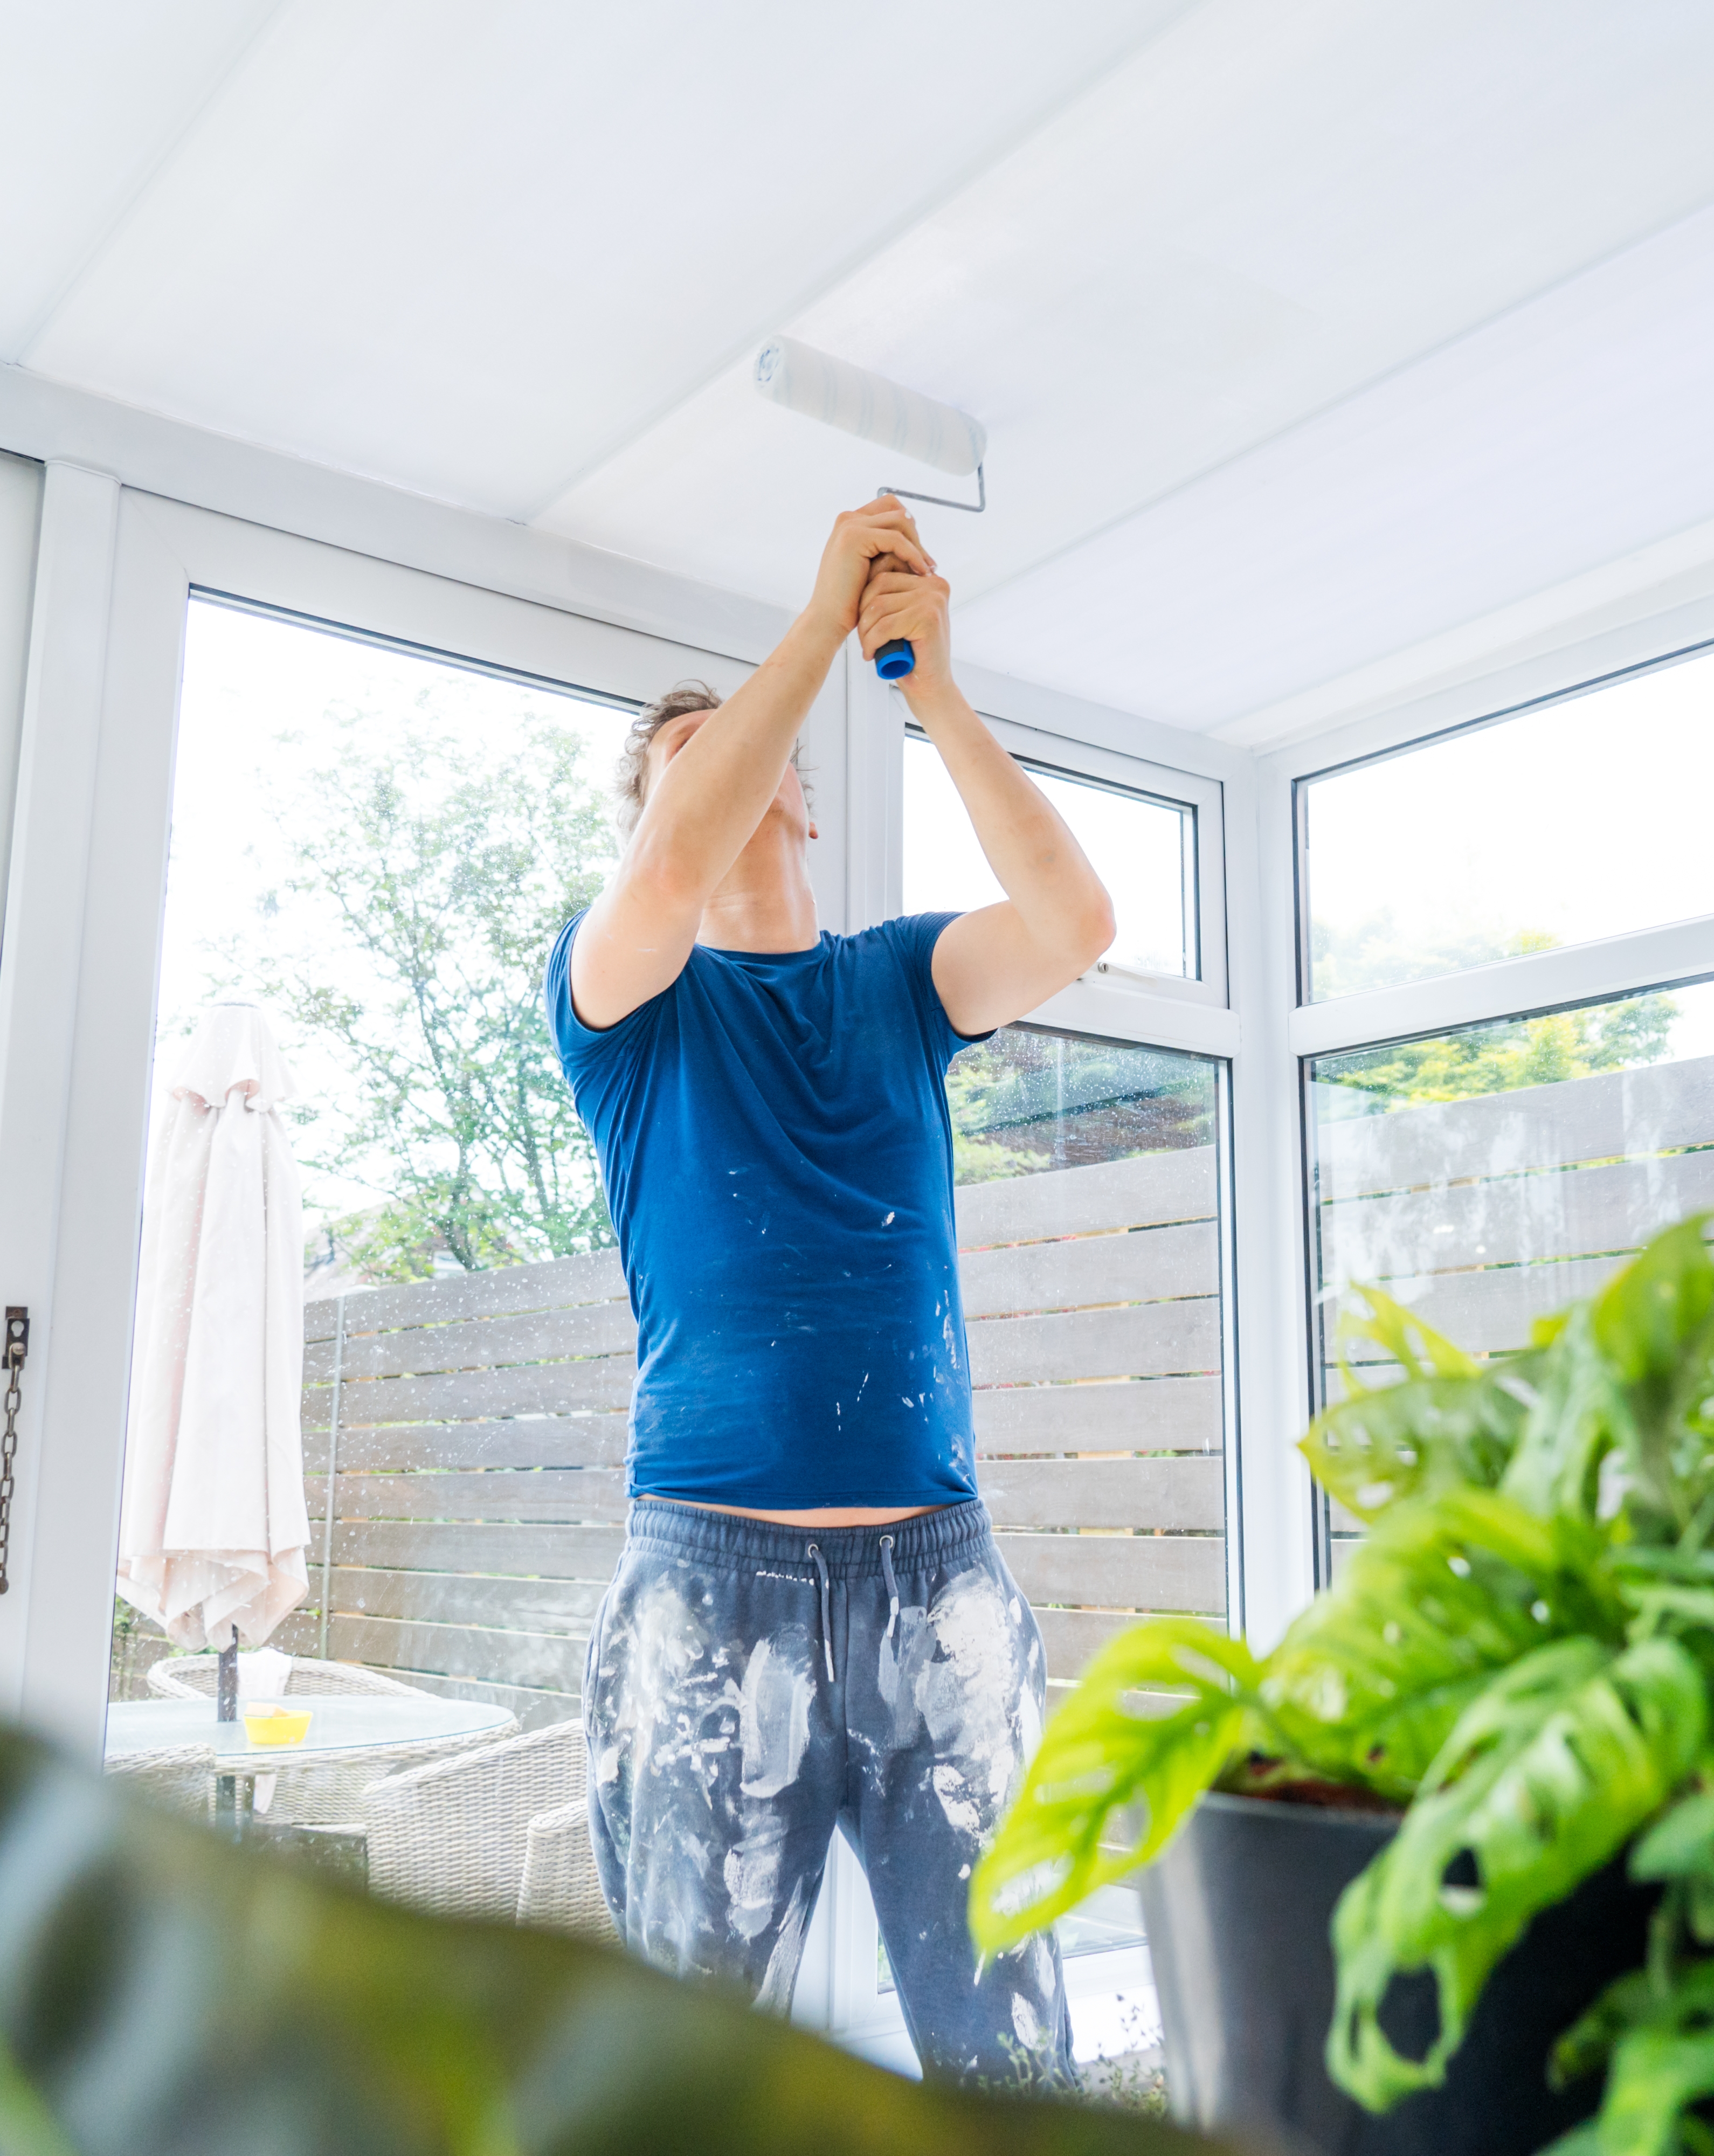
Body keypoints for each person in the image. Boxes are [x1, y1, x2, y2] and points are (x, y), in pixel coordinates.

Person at [549, 497, 1116, 2083]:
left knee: (1013, 2056)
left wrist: (930, 686)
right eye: (695, 753)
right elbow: (666, 867)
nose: (731, 770)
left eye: (754, 748)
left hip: (944, 1590)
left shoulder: (899, 982)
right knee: (688, 2073)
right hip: (709, 1591)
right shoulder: (624, 1009)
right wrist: (812, 627)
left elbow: (1074, 926)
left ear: (798, 793)